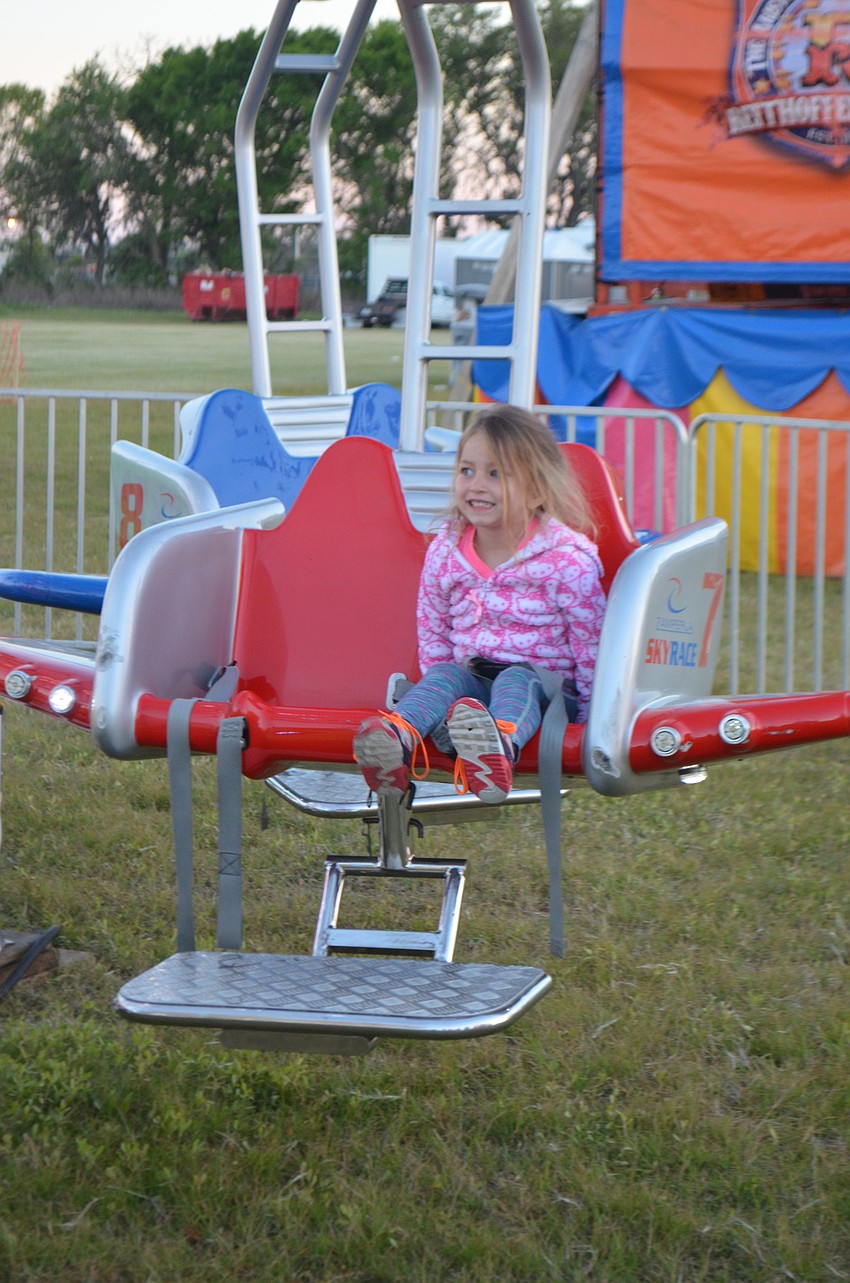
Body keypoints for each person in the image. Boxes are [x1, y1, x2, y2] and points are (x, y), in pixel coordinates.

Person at [353, 404, 607, 803]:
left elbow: (591, 645)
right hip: (474, 682)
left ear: (537, 490)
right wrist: (443, 693)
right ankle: (396, 738)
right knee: (443, 677)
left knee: (515, 679)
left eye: (495, 474)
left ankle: (498, 749)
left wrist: (593, 716)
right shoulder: (447, 550)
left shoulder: (566, 559)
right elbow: (434, 628)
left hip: (547, 687)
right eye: (466, 471)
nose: (475, 485)